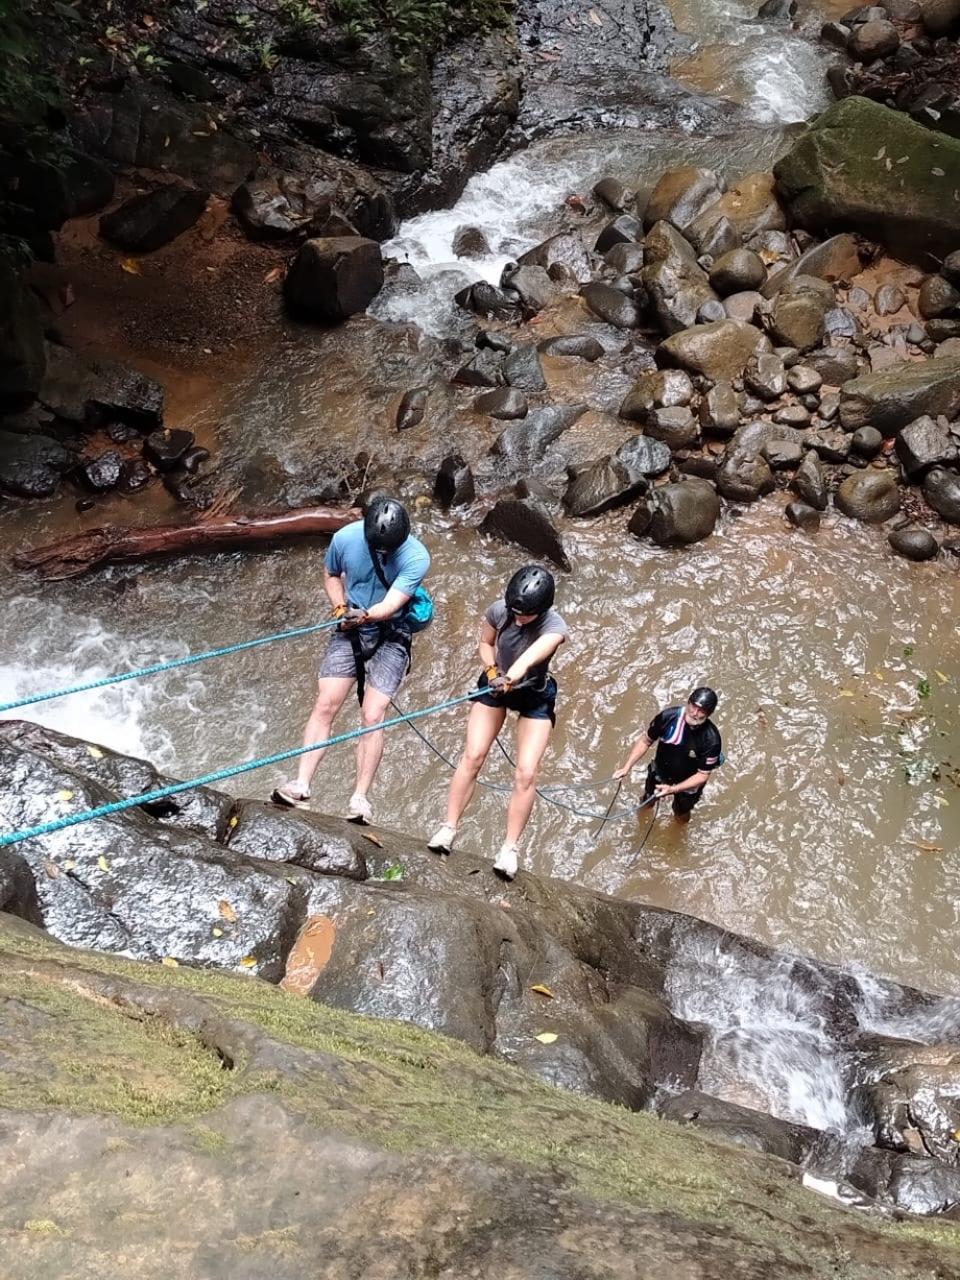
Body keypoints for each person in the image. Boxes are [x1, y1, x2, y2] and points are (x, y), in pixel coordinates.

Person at [272, 496, 430, 823]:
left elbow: (393, 602)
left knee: (373, 715)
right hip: (351, 621)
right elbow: (331, 574)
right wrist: (340, 608)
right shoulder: (345, 538)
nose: (384, 554)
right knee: (326, 703)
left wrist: (366, 615)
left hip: (393, 630)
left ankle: (360, 798)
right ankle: (301, 784)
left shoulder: (416, 556)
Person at [427, 564, 568, 880]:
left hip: (532, 691)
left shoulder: (555, 626)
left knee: (526, 773)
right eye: (515, 612)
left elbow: (531, 655)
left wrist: (510, 676)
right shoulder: (500, 611)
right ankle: (448, 828)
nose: (518, 619)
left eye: (526, 615)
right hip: (494, 683)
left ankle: (509, 848)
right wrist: (492, 672)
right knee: (473, 756)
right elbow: (485, 643)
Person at [613, 688, 723, 823]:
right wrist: (626, 767)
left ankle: (679, 830)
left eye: (701, 710)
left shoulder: (711, 740)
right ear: (688, 703)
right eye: (693, 706)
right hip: (661, 771)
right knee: (648, 799)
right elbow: (645, 741)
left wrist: (673, 789)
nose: (695, 713)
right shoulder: (668, 717)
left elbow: (702, 775)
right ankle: (640, 820)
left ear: (709, 714)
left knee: (681, 812)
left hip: (689, 783)